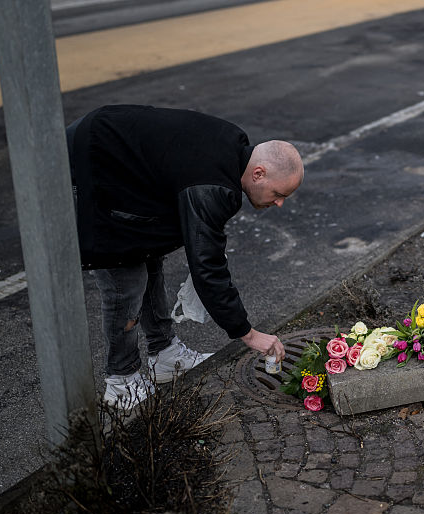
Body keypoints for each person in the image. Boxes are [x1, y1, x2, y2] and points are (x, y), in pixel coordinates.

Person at [66, 105, 302, 408]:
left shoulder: (234, 147)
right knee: (126, 278)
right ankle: (121, 381)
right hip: (85, 163)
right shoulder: (212, 186)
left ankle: (164, 355)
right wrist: (247, 333)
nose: (280, 203)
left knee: (148, 255)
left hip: (119, 168)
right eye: (279, 193)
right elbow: (207, 265)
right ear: (259, 173)